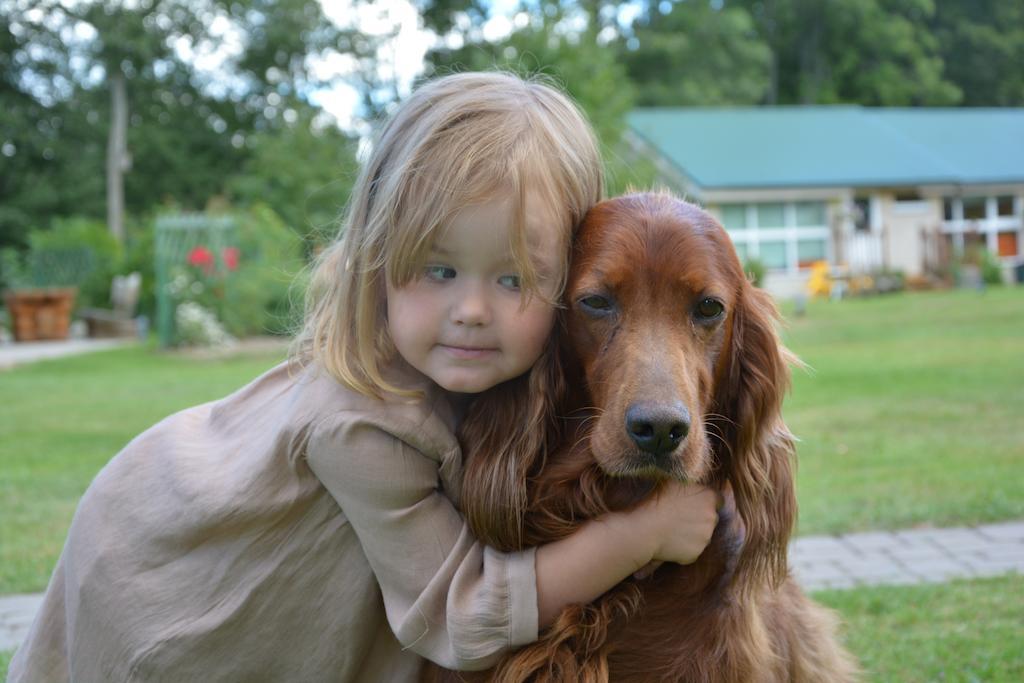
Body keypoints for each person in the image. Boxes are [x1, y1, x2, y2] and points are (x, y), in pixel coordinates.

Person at [8, 72, 721, 683]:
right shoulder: (362, 422)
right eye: (438, 269)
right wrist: (641, 535)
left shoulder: (471, 374)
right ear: (377, 260)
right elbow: (459, 614)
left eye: (513, 277)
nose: (472, 311)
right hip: (161, 585)